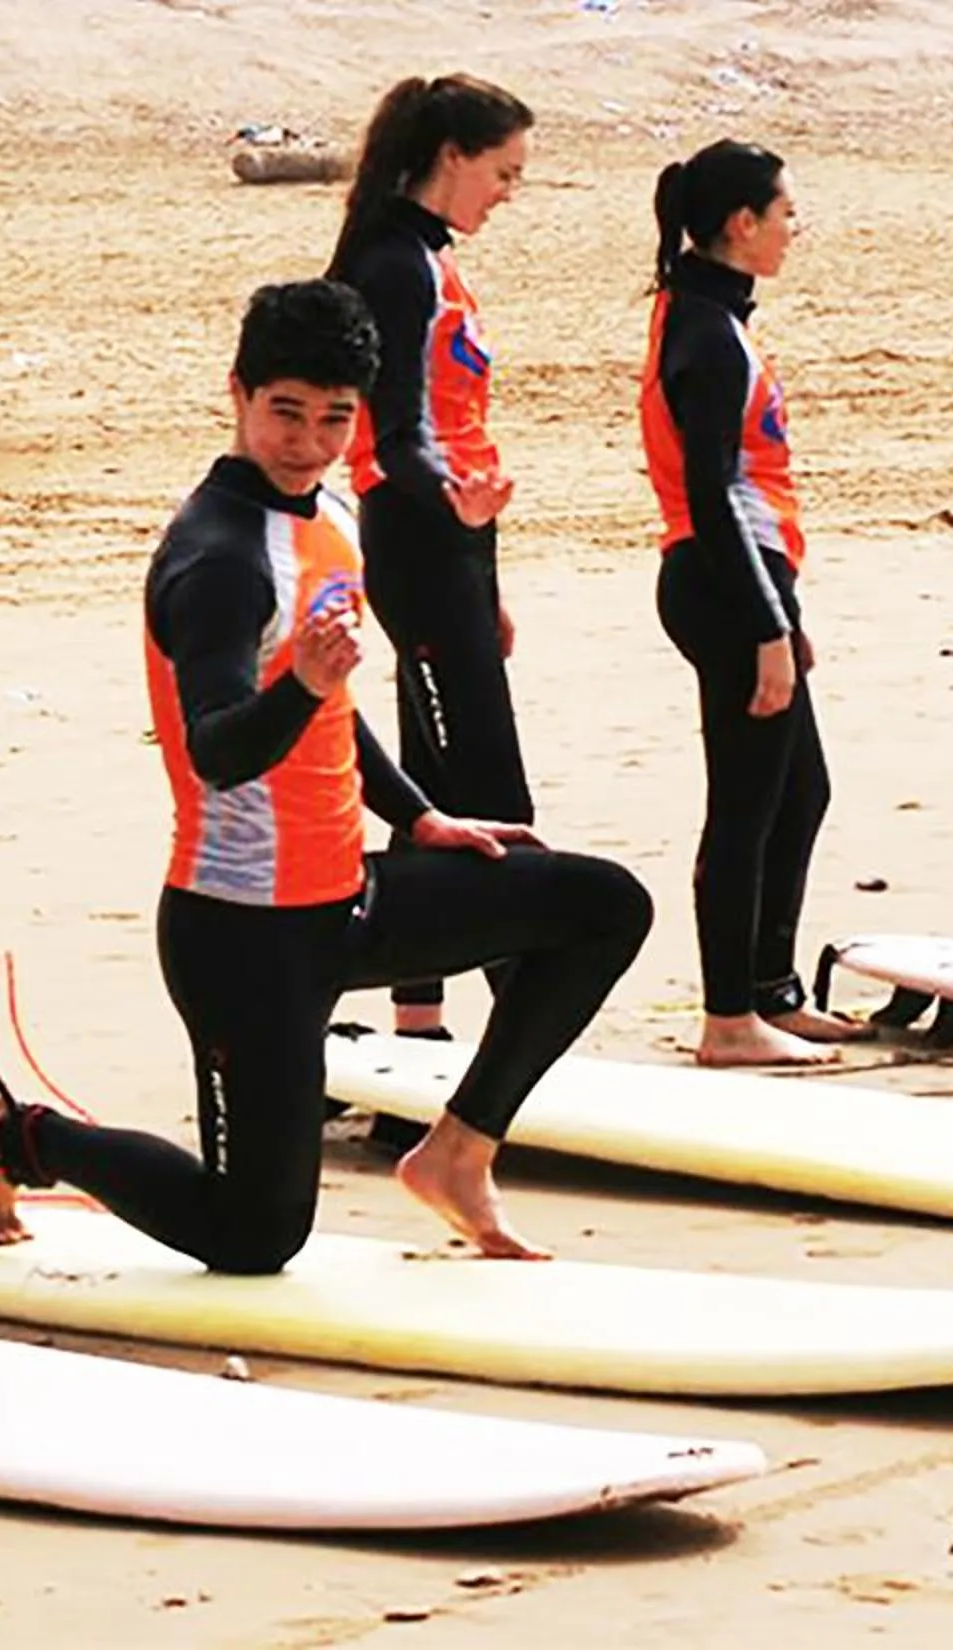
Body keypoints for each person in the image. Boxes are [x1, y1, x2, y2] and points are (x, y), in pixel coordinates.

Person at [0, 280, 652, 1272]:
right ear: (237, 394)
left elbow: (331, 709)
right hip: (241, 935)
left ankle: (458, 1152)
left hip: (348, 899)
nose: (309, 441)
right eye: (286, 412)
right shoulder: (221, 560)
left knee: (602, 907)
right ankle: (22, 1139)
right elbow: (218, 748)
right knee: (255, 1238)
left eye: (335, 419)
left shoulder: (324, 519)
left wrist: (419, 820)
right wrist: (303, 684)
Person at [637, 139, 866, 1068]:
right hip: (724, 586)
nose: (793, 230)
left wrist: (787, 615)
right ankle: (728, 1018)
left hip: (750, 580)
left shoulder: (709, 314)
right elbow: (710, 493)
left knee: (800, 790)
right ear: (742, 223)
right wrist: (770, 625)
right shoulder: (703, 330)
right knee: (744, 806)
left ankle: (771, 990)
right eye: (785, 214)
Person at [322, 74, 535, 1058]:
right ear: (451, 157)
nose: (507, 192)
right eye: (502, 172)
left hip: (444, 549)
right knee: (493, 802)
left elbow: (447, 435)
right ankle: (532, 1027)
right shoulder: (396, 264)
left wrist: (482, 574)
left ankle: (417, 1022)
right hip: (414, 541)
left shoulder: (424, 258)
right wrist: (455, 524)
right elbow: (395, 434)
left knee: (436, 801)